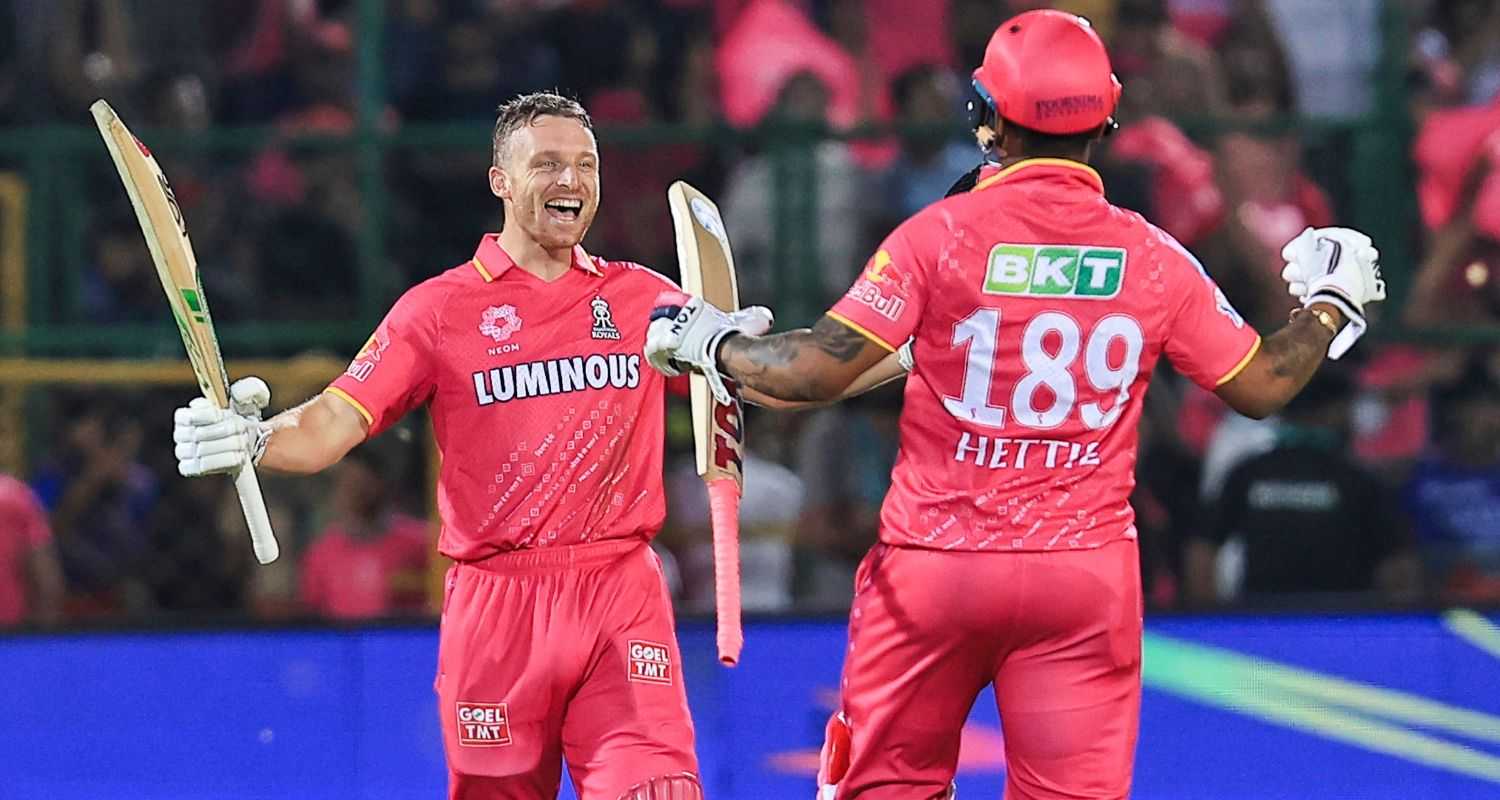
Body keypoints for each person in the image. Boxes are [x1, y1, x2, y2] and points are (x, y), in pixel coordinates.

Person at [644, 10, 1386, 799]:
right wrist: (1331, 306)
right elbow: (1263, 384)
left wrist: (711, 344)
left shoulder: (940, 236)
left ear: (986, 121)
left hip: (938, 574)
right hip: (1081, 579)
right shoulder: (1153, 256)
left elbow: (817, 371)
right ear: (1108, 115)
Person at [172, 92, 756, 800]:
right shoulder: (438, 311)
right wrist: (256, 439)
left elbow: (763, 386)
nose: (571, 182)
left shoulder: (644, 300)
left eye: (586, 165)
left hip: (621, 591)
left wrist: (751, 352)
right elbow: (332, 422)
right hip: (496, 605)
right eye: (547, 164)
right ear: (500, 181)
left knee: (658, 791)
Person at [1185, 367, 1421, 605]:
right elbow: (1399, 569)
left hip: (1260, 625)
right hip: (1338, 625)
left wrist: (1214, 621)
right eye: (1347, 407)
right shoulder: (1357, 478)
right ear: (1331, 412)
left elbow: (1202, 550)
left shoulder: (1250, 472)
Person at [299, 435, 429, 620]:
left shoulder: (421, 543)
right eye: (350, 484)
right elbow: (312, 618)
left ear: (382, 482)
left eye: (363, 483)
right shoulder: (322, 553)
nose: (358, 492)